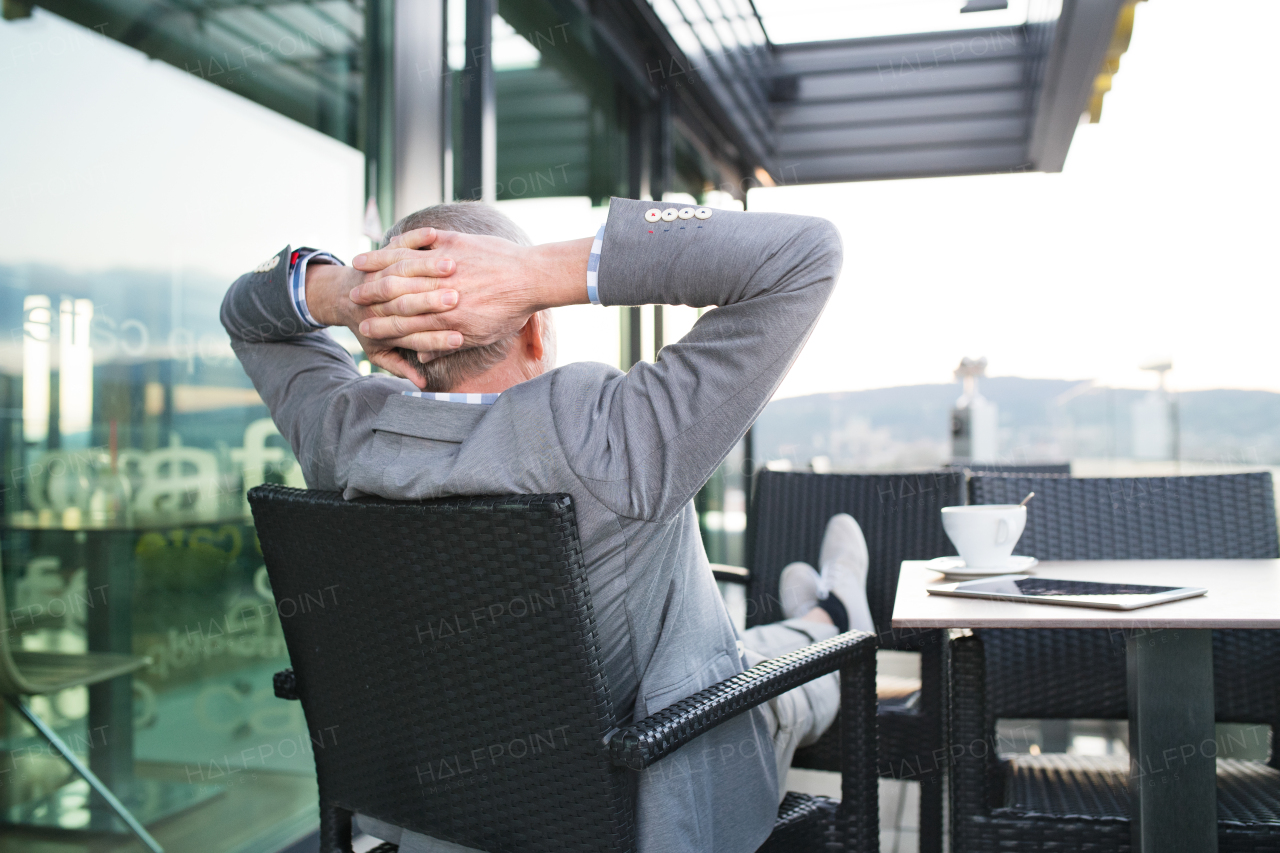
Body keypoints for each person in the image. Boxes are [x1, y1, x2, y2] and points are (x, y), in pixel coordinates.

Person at [221, 199, 874, 853]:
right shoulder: (607, 434)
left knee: (741, 648)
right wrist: (537, 273)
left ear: (392, 350)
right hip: (650, 793)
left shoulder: (344, 434)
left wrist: (345, 291)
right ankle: (835, 617)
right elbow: (804, 251)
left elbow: (244, 316)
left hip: (441, 817)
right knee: (775, 686)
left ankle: (816, 615)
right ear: (533, 329)